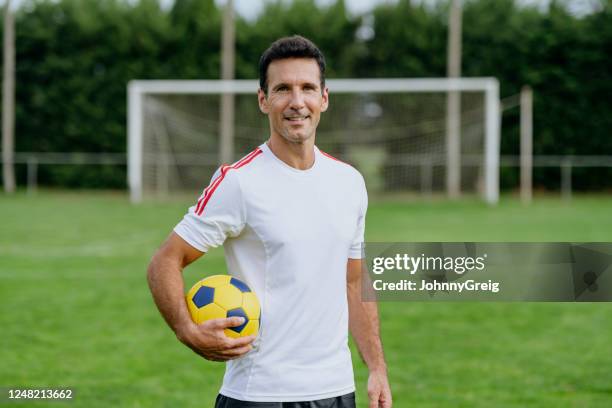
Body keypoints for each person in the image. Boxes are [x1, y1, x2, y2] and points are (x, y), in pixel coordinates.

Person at [147, 35, 392, 408]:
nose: (297, 102)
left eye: (308, 88)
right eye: (282, 89)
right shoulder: (239, 182)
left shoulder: (350, 183)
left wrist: (377, 367)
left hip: (337, 391)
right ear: (264, 100)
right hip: (259, 394)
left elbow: (354, 279)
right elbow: (164, 261)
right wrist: (186, 330)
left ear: (324, 98)